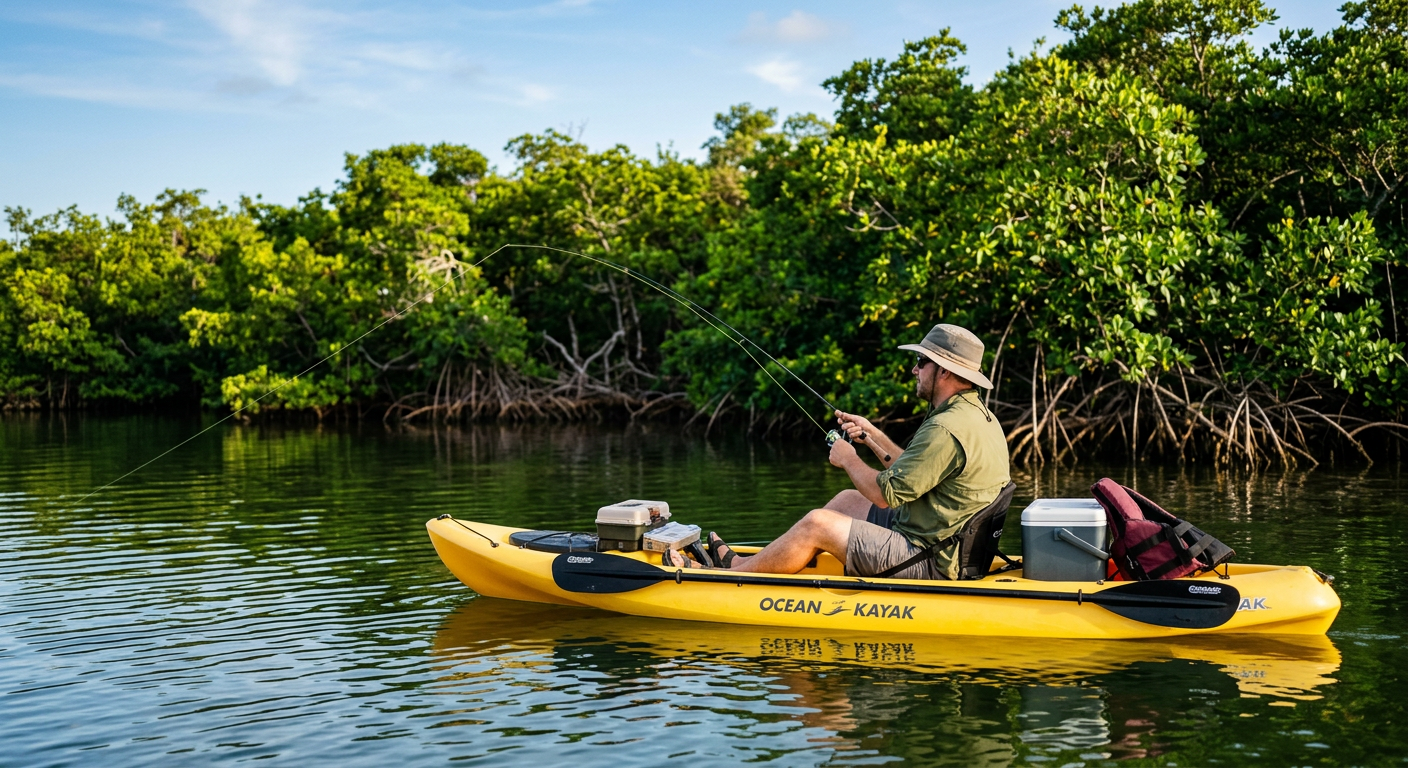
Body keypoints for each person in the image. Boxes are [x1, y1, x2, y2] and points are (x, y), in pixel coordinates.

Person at [664, 323, 1011, 580]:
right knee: (847, 500)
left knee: (818, 523)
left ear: (945, 370)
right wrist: (873, 436)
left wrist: (848, 457)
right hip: (941, 539)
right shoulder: (972, 417)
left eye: (921, 361)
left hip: (930, 560)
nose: (914, 369)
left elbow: (882, 496)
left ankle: (738, 576)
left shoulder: (945, 428)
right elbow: (911, 473)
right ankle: (749, 563)